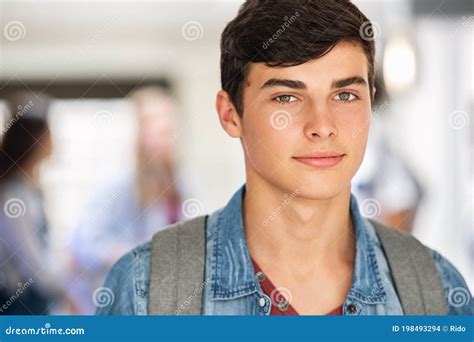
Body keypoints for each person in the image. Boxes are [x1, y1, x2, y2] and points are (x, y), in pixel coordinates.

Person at [97, 0, 473, 315]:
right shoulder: (145, 291)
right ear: (230, 115)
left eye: (345, 95)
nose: (322, 126)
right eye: (286, 98)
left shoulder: (435, 292)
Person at [71, 86, 185, 313]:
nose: (167, 130)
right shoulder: (118, 184)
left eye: (169, 122)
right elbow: (84, 245)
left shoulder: (178, 179)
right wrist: (137, 253)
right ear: (138, 130)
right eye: (157, 123)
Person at [0, 93, 68, 314]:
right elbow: (32, 266)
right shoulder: (15, 196)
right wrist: (66, 279)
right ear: (35, 140)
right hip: (19, 308)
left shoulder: (31, 190)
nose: (54, 141)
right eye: (49, 134)